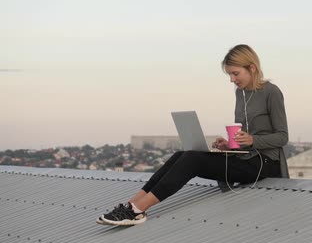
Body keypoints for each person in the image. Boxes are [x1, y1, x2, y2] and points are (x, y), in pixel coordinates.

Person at [97, 44, 288, 226]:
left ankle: (138, 210)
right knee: (182, 154)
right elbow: (246, 135)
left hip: (265, 163)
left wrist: (253, 140)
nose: (232, 79)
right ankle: (130, 205)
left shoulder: (271, 92)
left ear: (252, 68)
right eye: (230, 74)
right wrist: (230, 144)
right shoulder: (241, 93)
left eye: (235, 73)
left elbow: (282, 136)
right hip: (246, 156)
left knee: (193, 160)